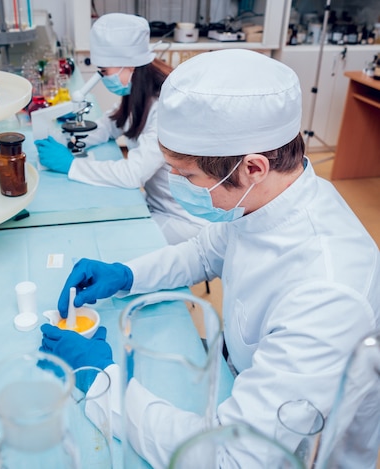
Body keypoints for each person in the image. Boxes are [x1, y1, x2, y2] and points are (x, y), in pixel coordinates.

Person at [39, 49, 380, 468]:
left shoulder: (328, 291)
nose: (178, 186)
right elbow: (205, 251)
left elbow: (230, 457)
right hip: (240, 385)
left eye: (188, 177)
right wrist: (126, 274)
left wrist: (101, 385)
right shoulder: (263, 203)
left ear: (253, 167)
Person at [34, 13, 207, 245]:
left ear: (130, 65)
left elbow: (132, 174)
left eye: (105, 71)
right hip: (156, 204)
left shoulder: (166, 107)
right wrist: (70, 137)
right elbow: (110, 125)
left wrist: (72, 165)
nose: (103, 77)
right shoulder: (138, 93)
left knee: (111, 241)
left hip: (184, 220)